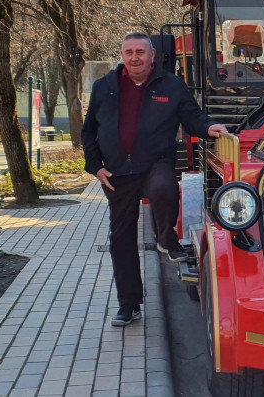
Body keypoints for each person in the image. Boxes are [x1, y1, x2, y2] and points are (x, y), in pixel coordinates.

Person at [82, 32, 227, 326]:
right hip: (117, 173)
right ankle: (129, 304)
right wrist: (95, 166)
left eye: (140, 52)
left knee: (164, 188)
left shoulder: (171, 86)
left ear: (152, 56)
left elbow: (192, 117)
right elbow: (88, 131)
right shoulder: (104, 87)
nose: (134, 57)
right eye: (128, 52)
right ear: (122, 55)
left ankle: (165, 238)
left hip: (155, 163)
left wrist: (210, 127)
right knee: (120, 240)